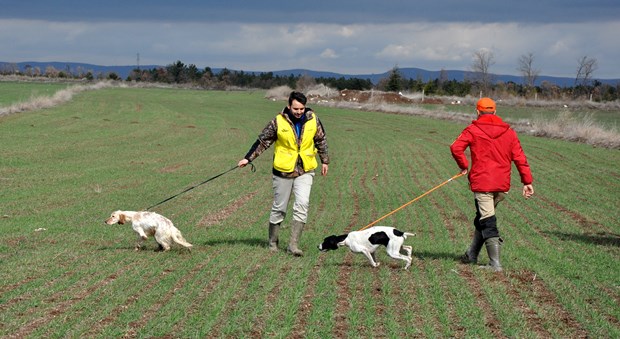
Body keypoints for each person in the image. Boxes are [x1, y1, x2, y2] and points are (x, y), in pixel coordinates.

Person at [238, 91, 329, 256]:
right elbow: (263, 141)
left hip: (305, 169)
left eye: (301, 109)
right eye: (295, 109)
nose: (299, 112)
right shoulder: (278, 121)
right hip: (283, 171)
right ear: (289, 106)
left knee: (302, 204)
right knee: (279, 208)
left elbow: (321, 140)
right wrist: (248, 158)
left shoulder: (313, 119)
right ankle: (273, 242)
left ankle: (293, 246)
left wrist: (325, 161)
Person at [450, 97, 534, 272]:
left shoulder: (473, 129)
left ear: (477, 111)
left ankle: (495, 264)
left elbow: (456, 147)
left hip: (482, 184)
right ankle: (471, 254)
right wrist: (527, 182)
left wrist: (464, 166)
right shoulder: (509, 132)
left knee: (487, 221)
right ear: (495, 112)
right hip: (502, 186)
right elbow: (520, 158)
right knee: (483, 217)